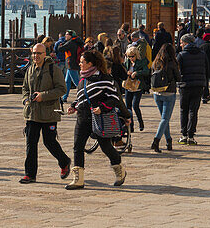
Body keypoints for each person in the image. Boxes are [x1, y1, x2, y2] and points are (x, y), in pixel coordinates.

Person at [65, 50, 126, 189]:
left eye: (82, 62)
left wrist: (102, 107)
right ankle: (78, 179)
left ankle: (119, 169)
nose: (79, 64)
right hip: (82, 117)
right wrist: (74, 106)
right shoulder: (82, 79)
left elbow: (114, 98)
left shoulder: (105, 78)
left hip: (99, 119)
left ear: (90, 64)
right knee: (77, 146)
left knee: (105, 147)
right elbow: (81, 97)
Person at [19, 41, 71, 184]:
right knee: (31, 143)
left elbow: (62, 89)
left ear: (45, 54)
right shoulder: (30, 69)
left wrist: (43, 95)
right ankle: (30, 174)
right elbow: (24, 88)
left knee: (49, 142)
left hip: (49, 113)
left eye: (39, 53)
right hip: (32, 112)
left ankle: (64, 161)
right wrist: (25, 100)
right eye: (34, 53)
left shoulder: (54, 69)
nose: (36, 56)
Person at [175, 34, 208, 144]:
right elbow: (207, 69)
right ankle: (191, 135)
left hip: (185, 85)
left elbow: (177, 71)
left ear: (185, 43)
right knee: (193, 111)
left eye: (181, 43)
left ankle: (184, 134)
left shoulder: (181, 55)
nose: (180, 45)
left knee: (184, 110)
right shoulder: (202, 54)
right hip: (198, 85)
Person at [150, 43, 180, 152]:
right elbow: (178, 78)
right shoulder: (172, 63)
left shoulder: (155, 62)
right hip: (169, 93)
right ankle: (156, 140)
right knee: (165, 119)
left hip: (157, 93)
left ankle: (169, 140)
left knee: (164, 119)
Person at [124, 45, 150, 132]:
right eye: (129, 56)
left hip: (138, 86)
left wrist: (136, 73)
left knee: (135, 105)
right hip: (128, 86)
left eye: (132, 56)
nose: (131, 58)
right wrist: (127, 72)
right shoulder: (127, 62)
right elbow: (123, 69)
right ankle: (131, 126)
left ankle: (140, 122)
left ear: (136, 55)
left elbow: (146, 71)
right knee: (128, 107)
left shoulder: (141, 62)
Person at [56, 30, 85, 103]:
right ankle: (65, 97)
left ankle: (84, 95)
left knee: (77, 82)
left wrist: (60, 44)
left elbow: (61, 49)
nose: (65, 36)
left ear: (71, 36)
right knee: (67, 81)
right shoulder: (76, 41)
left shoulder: (71, 42)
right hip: (71, 64)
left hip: (72, 64)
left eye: (67, 35)